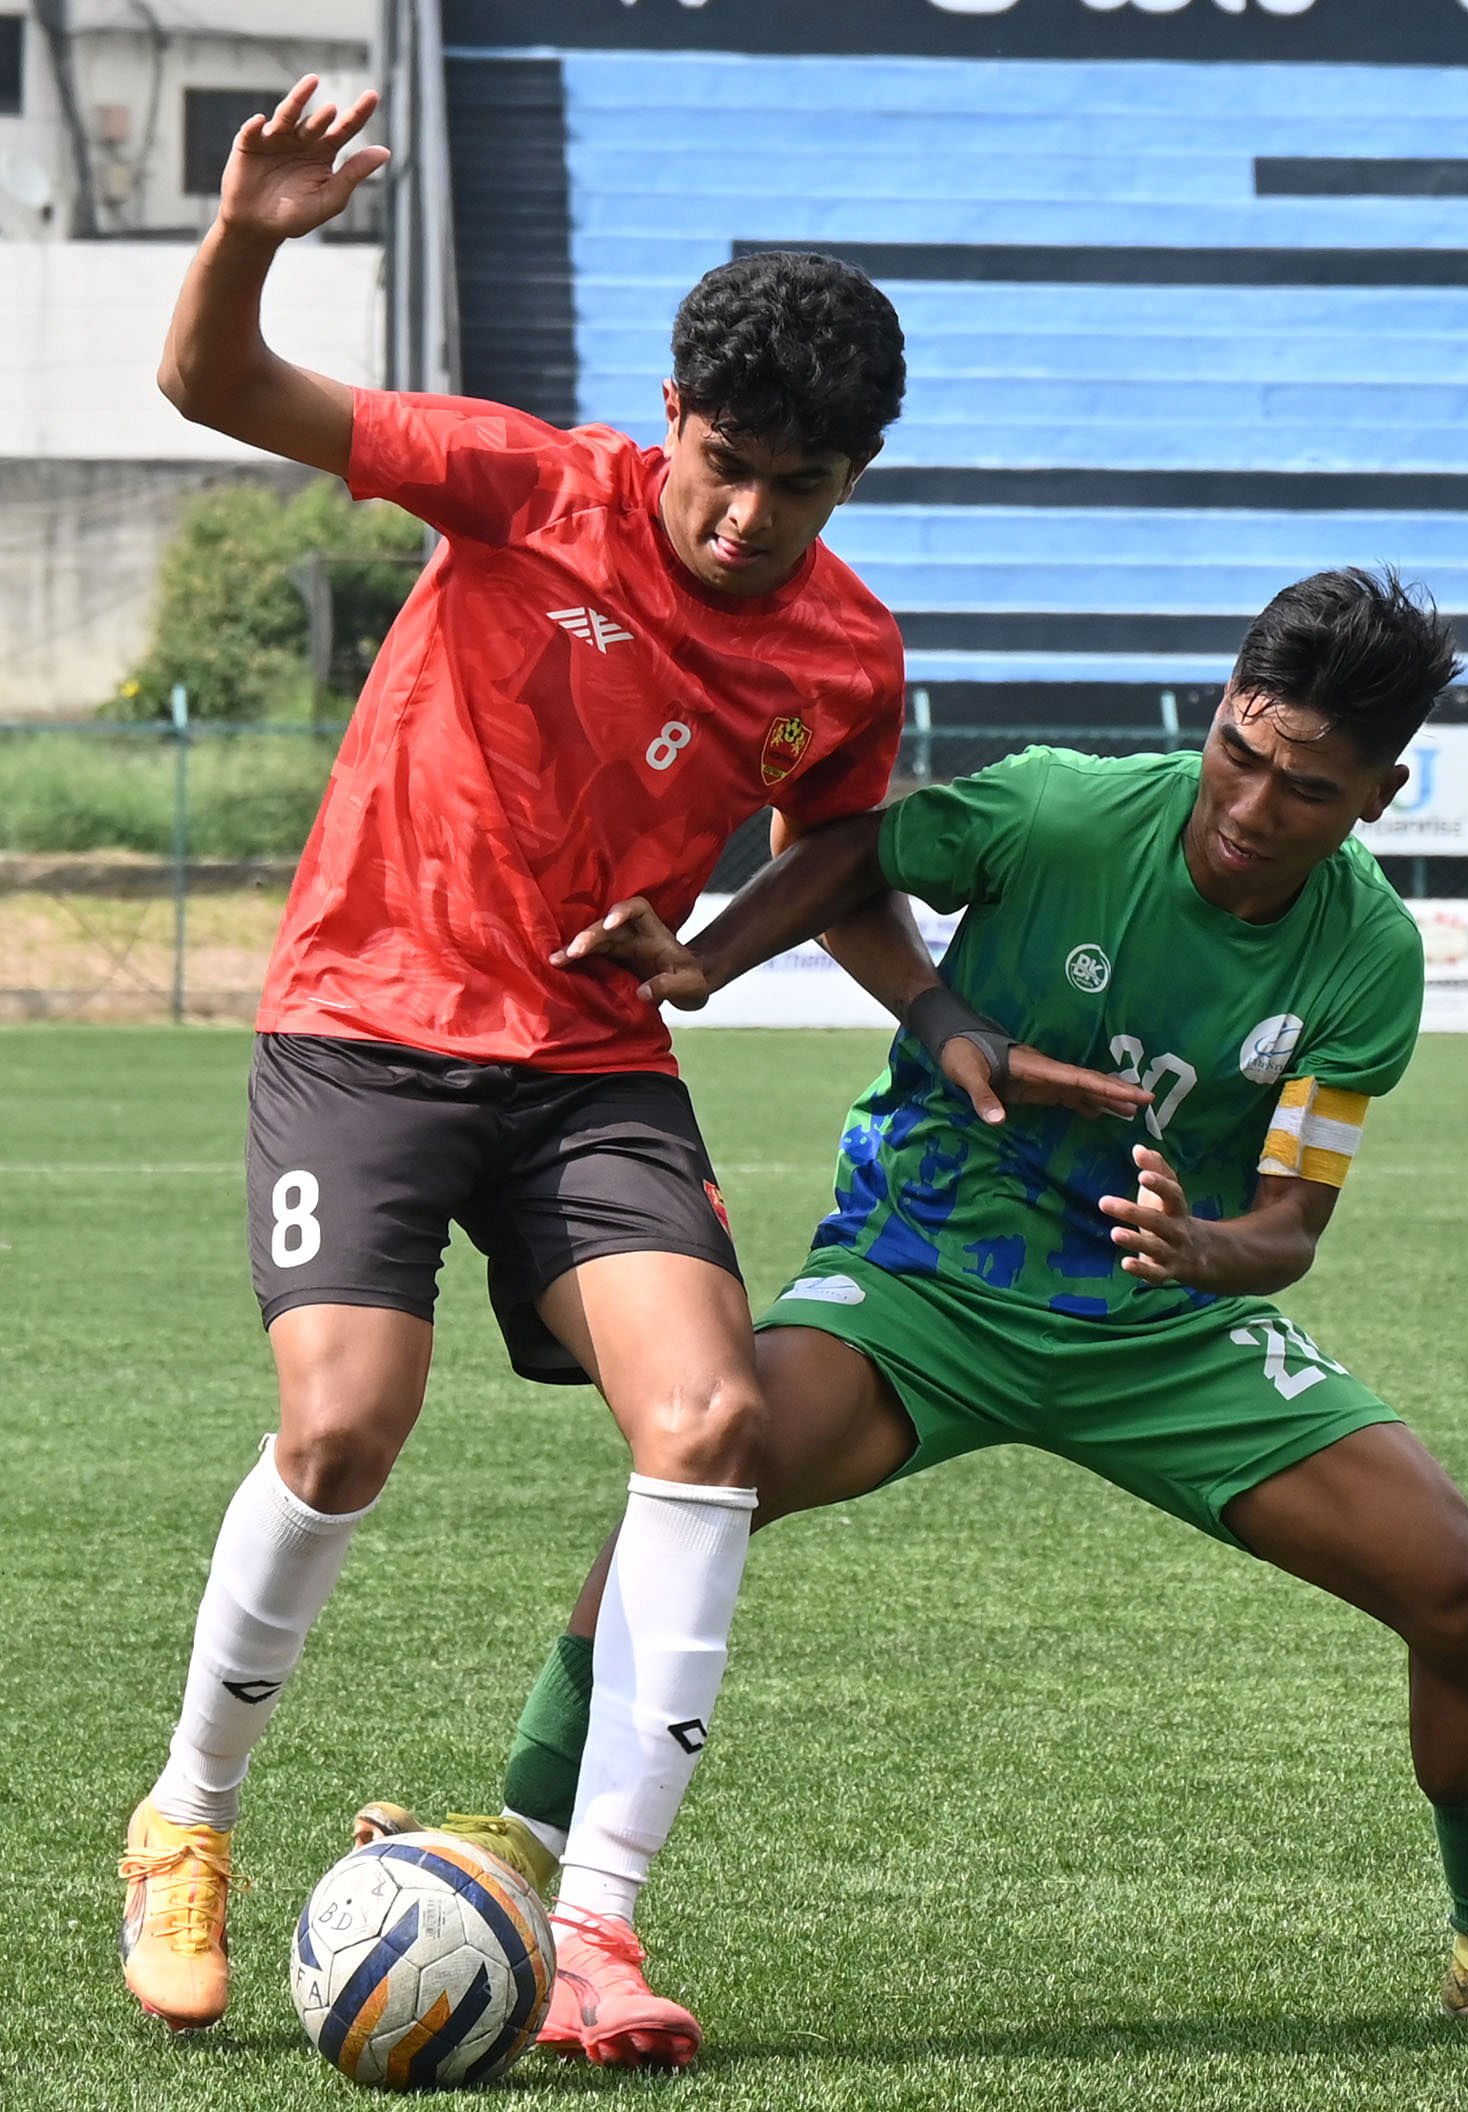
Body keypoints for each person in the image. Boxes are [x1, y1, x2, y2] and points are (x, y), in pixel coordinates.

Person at [371, 570, 1468, 2060]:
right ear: (1216, 714)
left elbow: (1289, 1228)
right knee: (706, 1462)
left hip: (1152, 1328)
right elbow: (851, 844)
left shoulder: (1363, 956)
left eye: (1307, 787)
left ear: (1378, 795)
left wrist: (1206, 1253)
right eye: (1239, 753)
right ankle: (523, 1841)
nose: (1253, 805)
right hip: (926, 1274)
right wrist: (718, 961)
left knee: (1466, 1594)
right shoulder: (1064, 809)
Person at [118, 76, 924, 2044]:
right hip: (369, 1025)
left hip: (588, 1063)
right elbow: (211, 386)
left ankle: (603, 1936)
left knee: (711, 1424)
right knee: (342, 1426)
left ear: (857, 478)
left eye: (799, 484)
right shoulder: (519, 485)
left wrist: (712, 951)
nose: (746, 518)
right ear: (669, 413)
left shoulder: (845, 654)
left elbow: (841, 828)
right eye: (724, 463)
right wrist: (252, 234)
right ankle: (185, 1815)